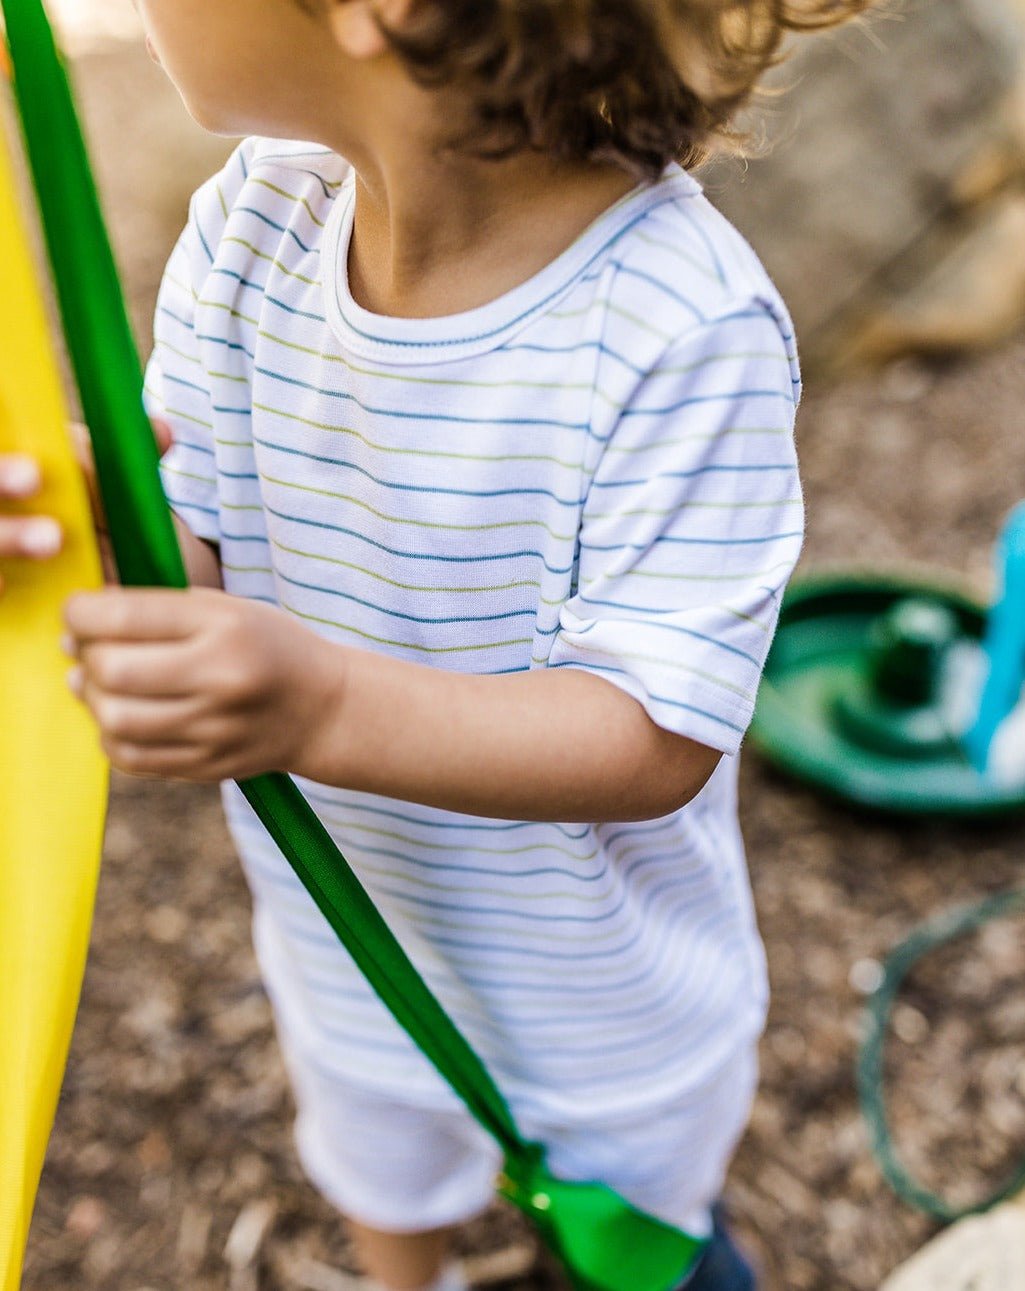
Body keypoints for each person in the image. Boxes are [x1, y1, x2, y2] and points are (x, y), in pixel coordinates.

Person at [1, 2, 867, 1287]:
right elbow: (199, 552)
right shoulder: (253, 231)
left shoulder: (679, 325)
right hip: (353, 942)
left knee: (630, 1249)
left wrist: (319, 710)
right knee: (379, 1162)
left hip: (604, 1014)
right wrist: (74, 542)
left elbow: (650, 733)